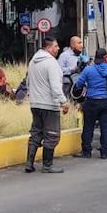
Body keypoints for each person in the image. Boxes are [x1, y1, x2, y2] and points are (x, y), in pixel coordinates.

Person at [25, 37, 70, 173]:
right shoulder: (51, 63)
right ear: (49, 47)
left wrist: (31, 96)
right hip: (49, 105)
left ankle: (29, 163)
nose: (58, 49)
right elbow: (55, 86)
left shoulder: (33, 61)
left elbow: (27, 81)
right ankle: (47, 165)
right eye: (56, 46)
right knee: (52, 134)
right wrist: (63, 101)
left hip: (35, 103)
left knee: (36, 132)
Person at [74, 48, 107, 159]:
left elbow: (79, 84)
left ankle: (86, 151)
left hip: (92, 100)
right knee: (105, 127)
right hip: (106, 101)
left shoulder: (88, 70)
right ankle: (104, 152)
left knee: (88, 127)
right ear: (104, 58)